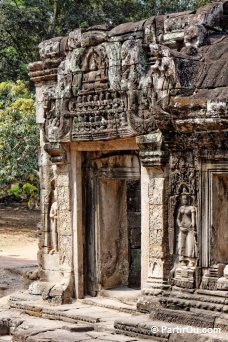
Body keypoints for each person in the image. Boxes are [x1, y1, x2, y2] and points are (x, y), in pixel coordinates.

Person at [177, 188, 198, 267]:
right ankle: (182, 259)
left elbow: (193, 219)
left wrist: (193, 225)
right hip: (182, 228)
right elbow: (178, 219)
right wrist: (180, 226)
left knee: (190, 243)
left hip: (189, 228)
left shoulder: (191, 208)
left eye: (185, 199)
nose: (184, 200)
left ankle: (191, 259)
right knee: (181, 243)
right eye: (183, 199)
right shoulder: (181, 208)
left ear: (188, 199)